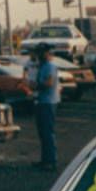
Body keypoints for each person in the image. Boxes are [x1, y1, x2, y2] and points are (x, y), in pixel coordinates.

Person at [25, 43, 61, 171]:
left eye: (41, 52)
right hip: (42, 101)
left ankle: (51, 161)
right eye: (38, 52)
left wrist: (35, 85)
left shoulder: (50, 66)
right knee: (43, 133)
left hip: (48, 102)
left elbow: (49, 83)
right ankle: (45, 160)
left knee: (48, 132)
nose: (39, 55)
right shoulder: (43, 66)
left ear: (47, 52)